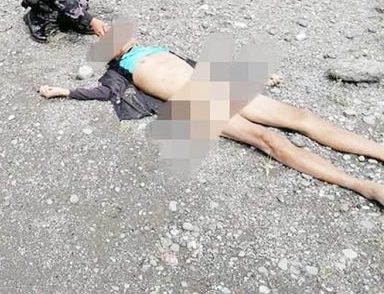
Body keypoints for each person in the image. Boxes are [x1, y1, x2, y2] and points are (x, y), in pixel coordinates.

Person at [39, 39, 384, 206]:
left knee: (301, 117)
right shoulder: (119, 72)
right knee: (270, 140)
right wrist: (64, 91)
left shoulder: (158, 48)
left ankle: (378, 150)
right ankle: (363, 186)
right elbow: (100, 92)